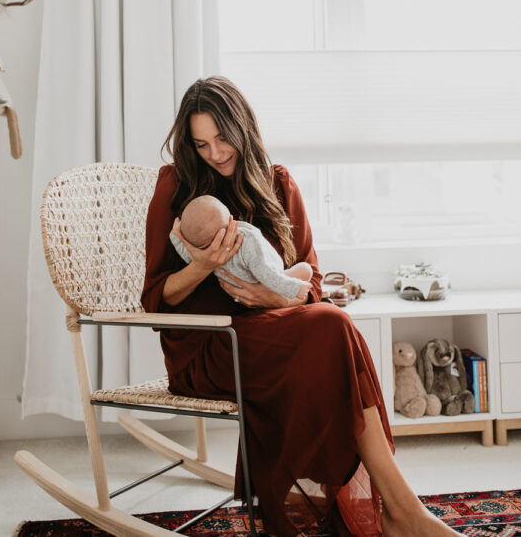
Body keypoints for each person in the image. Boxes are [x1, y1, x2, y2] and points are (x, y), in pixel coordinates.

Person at [141, 76, 461, 537]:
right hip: (211, 345)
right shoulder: (175, 184)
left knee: (334, 325)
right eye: (201, 143)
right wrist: (204, 264)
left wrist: (273, 296)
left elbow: (310, 276)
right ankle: (403, 513)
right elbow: (155, 298)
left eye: (223, 138)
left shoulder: (277, 183)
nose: (215, 153)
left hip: (275, 327)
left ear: (244, 128)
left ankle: (400, 509)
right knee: (333, 326)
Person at [170, 194, 313, 301]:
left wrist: (176, 233)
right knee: (306, 269)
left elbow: (181, 246)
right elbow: (266, 274)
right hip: (262, 282)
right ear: (232, 221)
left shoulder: (199, 253)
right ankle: (291, 283)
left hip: (237, 292)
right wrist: (294, 289)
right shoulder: (246, 241)